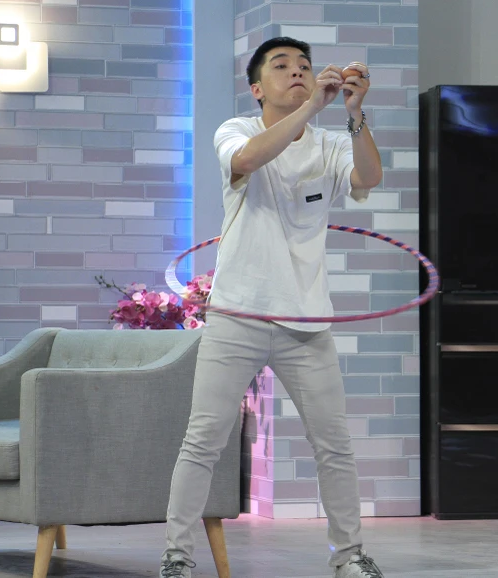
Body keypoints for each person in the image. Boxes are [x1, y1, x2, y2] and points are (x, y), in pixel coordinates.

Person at [159, 37, 385, 578]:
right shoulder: (235, 131)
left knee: (334, 445)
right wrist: (312, 108)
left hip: (306, 320)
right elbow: (247, 160)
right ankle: (177, 557)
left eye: (305, 65)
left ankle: (350, 557)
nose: (298, 72)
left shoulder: (331, 143)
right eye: (282, 66)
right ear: (257, 88)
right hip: (238, 314)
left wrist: (354, 113)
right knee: (203, 441)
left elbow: (369, 178)